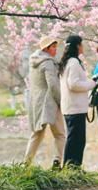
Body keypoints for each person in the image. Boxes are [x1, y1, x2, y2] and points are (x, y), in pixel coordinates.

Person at [24, 36, 66, 167]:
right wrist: (60, 101)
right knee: (60, 134)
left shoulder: (34, 60)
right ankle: (57, 161)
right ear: (46, 48)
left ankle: (26, 163)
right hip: (50, 102)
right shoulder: (48, 62)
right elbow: (52, 85)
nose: (55, 50)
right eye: (53, 47)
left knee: (37, 134)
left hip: (36, 100)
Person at [59, 35, 95, 168]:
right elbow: (73, 84)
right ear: (77, 46)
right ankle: (72, 166)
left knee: (74, 138)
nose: (82, 47)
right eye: (81, 44)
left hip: (71, 106)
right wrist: (92, 83)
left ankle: (72, 166)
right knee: (77, 140)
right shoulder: (73, 62)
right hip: (75, 107)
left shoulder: (67, 61)